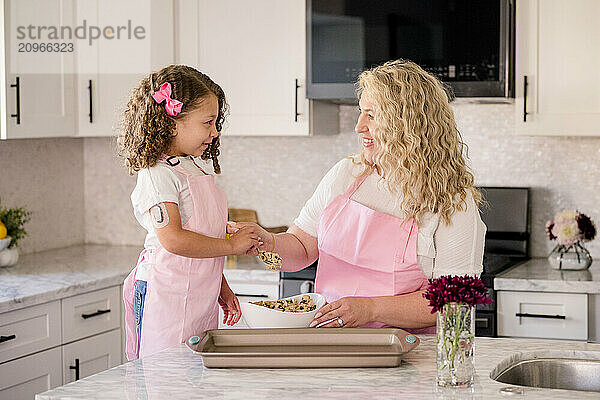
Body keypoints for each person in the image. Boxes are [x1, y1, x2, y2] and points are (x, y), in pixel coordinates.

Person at [236, 60, 486, 332]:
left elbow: (454, 301)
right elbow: (302, 247)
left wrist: (370, 308)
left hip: (408, 357)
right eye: (361, 112)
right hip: (332, 346)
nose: (359, 126)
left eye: (372, 115)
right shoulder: (346, 174)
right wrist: (267, 242)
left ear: (408, 124)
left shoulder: (451, 202)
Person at [118, 65, 260, 360]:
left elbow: (203, 239)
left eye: (216, 122)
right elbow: (174, 240)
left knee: (192, 378)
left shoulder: (194, 167)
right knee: (162, 379)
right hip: (164, 294)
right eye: (208, 122)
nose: (215, 131)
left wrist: (221, 287)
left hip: (198, 297)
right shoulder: (157, 174)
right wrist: (232, 246)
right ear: (172, 123)